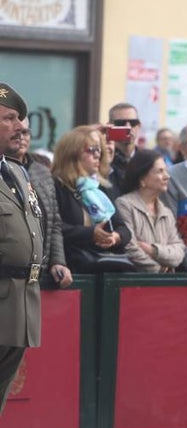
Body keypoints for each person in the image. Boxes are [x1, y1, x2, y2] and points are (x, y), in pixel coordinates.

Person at [0, 82, 41, 428]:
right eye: (9, 118)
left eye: (19, 118)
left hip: (18, 303)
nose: (19, 126)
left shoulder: (17, 173)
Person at [52, 126, 134, 273]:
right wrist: (90, 233)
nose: (98, 155)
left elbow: (123, 228)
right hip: (71, 268)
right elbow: (52, 227)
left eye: (99, 150)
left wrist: (115, 237)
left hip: (105, 266)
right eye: (92, 149)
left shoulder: (100, 187)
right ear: (73, 153)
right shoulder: (56, 185)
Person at [4, 118, 71, 288]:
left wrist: (58, 261)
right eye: (16, 133)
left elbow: (55, 223)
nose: (21, 137)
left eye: (25, 132)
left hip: (39, 274)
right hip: (7, 275)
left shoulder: (42, 171)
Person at [115, 149, 187, 276]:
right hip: (134, 285)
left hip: (163, 286)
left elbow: (179, 252)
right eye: (160, 171)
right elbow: (130, 248)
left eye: (166, 170)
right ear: (142, 177)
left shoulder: (165, 212)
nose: (167, 176)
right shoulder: (124, 205)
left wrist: (153, 250)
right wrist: (158, 269)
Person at [106, 102, 143, 192]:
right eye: (121, 123)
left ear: (139, 126)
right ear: (109, 126)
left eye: (133, 123)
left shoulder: (146, 160)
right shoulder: (100, 159)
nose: (128, 127)